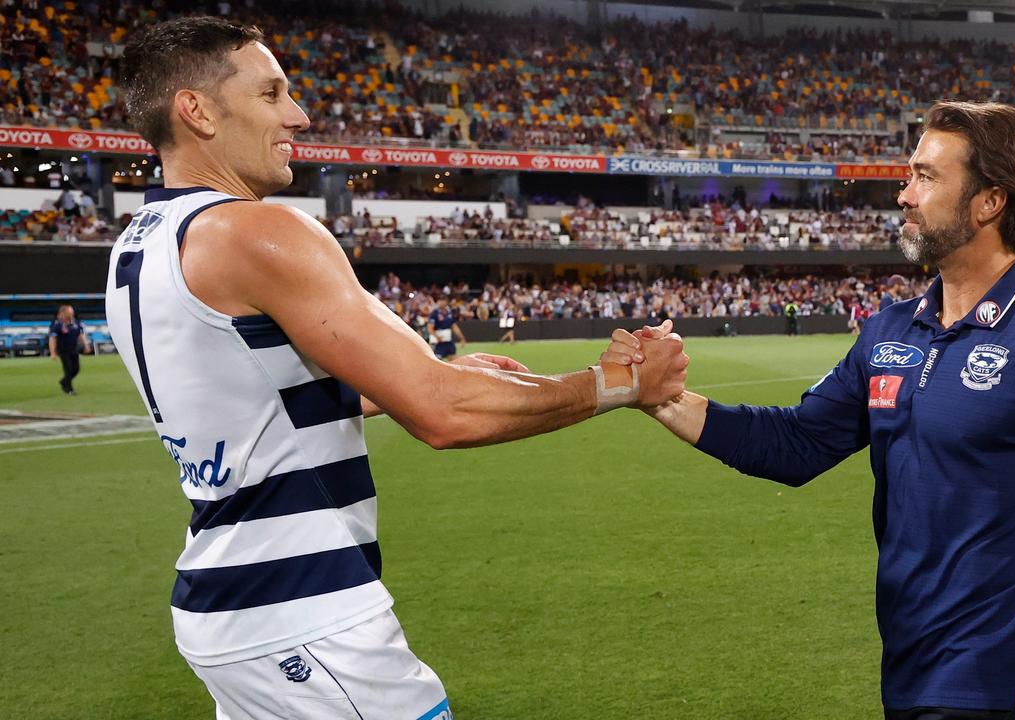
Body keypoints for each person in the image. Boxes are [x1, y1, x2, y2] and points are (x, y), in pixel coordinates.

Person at [108, 17, 688, 720]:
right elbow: (442, 412)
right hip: (303, 614)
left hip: (227, 607)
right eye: (271, 94)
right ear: (196, 111)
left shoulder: (141, 243)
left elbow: (266, 404)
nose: (298, 113)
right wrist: (621, 384)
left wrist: (431, 375)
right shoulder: (257, 232)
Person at [606, 101, 1015, 720]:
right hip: (909, 676)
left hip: (1005, 689)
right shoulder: (888, 333)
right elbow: (796, 445)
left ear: (991, 202)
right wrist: (659, 395)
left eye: (927, 177)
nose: (904, 194)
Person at [49, 304, 90, 394]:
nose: (72, 314)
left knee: (76, 369)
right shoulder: (57, 324)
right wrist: (53, 353)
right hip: (63, 350)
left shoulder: (76, 322)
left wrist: (86, 345)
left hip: (73, 349)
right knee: (68, 369)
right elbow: (52, 339)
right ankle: (69, 389)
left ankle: (64, 381)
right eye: (70, 312)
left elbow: (80, 335)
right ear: (64, 313)